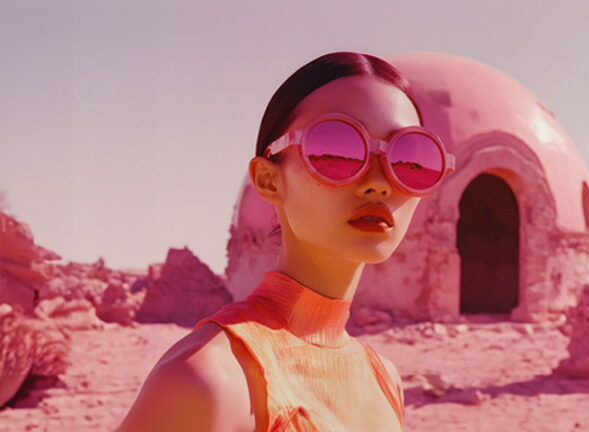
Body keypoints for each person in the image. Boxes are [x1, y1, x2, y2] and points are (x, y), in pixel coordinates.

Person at [116, 51, 455, 432]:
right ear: (269, 181)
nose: (378, 182)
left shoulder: (383, 378)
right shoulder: (210, 379)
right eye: (338, 150)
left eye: (409, 158)